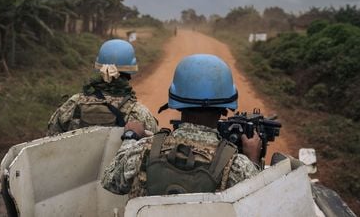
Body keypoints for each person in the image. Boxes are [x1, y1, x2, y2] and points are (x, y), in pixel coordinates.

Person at [101, 54, 261, 198]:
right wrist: (252, 160)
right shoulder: (237, 166)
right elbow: (260, 204)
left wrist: (130, 138)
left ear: (177, 103)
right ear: (225, 107)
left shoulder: (143, 150)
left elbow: (110, 182)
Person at [47, 39, 158, 136]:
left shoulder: (72, 104)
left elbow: (50, 139)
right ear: (129, 73)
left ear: (100, 69)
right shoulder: (139, 113)